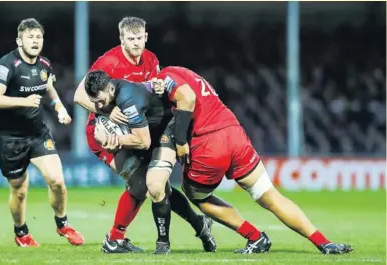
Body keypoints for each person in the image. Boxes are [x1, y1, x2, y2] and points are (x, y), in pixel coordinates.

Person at [158, 66, 353, 255]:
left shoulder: (164, 76)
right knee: (271, 196)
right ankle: (323, 242)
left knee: (196, 195)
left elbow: (187, 97)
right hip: (234, 132)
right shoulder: (185, 72)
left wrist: (181, 140)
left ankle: (254, 236)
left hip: (208, 141)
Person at [74, 17, 216, 254]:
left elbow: (150, 92)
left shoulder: (151, 59)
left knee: (156, 185)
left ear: (145, 36)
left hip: (140, 131)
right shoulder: (108, 62)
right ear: (121, 39)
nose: (136, 43)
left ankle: (198, 223)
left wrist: (158, 88)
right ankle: (115, 239)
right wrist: (108, 112)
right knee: (141, 184)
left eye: (139, 38)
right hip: (106, 133)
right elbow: (79, 96)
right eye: (130, 39)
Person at [0, 18, 84, 247]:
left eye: (38, 37)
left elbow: (48, 87)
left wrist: (59, 107)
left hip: (37, 133)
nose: (35, 41)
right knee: (19, 190)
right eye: (30, 37)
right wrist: (23, 101)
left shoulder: (45, 65)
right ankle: (22, 234)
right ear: (19, 40)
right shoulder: (6, 65)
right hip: (9, 138)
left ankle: (63, 224)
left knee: (57, 180)